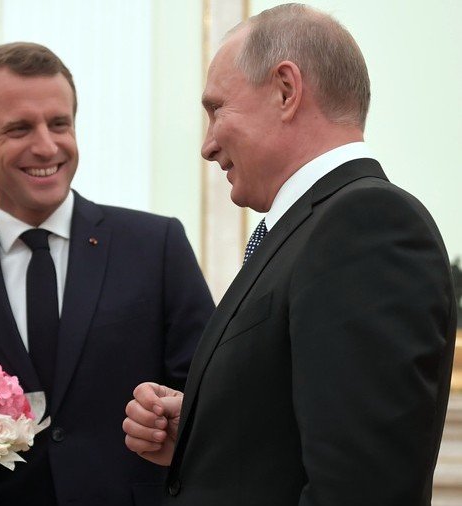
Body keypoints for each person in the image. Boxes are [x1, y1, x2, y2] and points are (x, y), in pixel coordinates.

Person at [122, 4, 456, 504]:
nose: (208, 145)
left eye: (217, 110)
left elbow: (360, 488)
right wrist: (203, 427)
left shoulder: (366, 226)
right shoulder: (309, 230)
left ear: (285, 89)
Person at [0, 42, 214, 505]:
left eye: (60, 124)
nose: (46, 146)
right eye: (19, 128)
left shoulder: (156, 246)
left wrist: (168, 415)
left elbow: (210, 391)